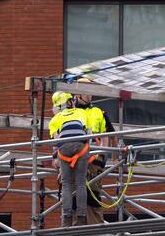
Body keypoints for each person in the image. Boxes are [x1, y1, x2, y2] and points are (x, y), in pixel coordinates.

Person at [73, 78, 115, 225]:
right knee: (75, 196)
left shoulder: (98, 112)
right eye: (86, 90)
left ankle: (95, 228)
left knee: (93, 195)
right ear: (78, 93)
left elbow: (108, 135)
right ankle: (75, 230)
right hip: (74, 160)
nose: (90, 94)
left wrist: (104, 156)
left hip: (94, 161)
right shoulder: (70, 112)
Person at [47, 91, 92, 227]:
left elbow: (56, 143)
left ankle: (66, 218)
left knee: (66, 184)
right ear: (70, 102)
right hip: (81, 148)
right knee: (80, 183)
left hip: (64, 151)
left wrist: (56, 159)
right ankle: (81, 217)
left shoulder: (55, 119)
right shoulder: (82, 113)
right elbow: (89, 135)